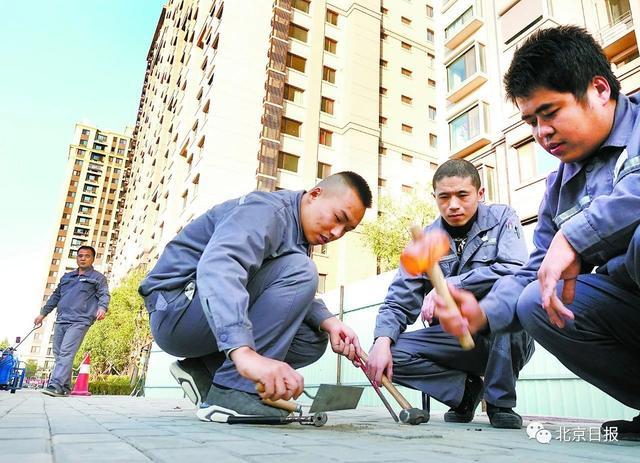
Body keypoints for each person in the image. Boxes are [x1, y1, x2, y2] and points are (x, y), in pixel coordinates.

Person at [436, 26, 640, 441]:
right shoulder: (557, 188)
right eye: (531, 121)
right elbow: (536, 271)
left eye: (550, 113)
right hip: (628, 300)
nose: (541, 132)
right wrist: (485, 312)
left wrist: (575, 237)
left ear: (600, 89)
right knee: (535, 302)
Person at [139, 171, 372, 421]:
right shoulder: (267, 210)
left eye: (347, 229)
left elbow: (284, 288)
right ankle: (233, 389)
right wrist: (244, 354)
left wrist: (330, 321)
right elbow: (220, 266)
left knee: (311, 338)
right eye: (338, 218)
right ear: (315, 194)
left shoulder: (298, 236)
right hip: (176, 310)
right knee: (302, 270)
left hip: (199, 320)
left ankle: (205, 371)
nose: (337, 233)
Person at [368, 159, 534, 429]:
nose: (453, 205)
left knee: (516, 302)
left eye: (462, 195)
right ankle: (464, 393)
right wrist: (382, 339)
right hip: (452, 339)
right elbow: (400, 298)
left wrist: (451, 285)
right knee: (385, 355)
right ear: (435, 197)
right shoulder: (424, 241)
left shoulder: (503, 218)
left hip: (501, 337)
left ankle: (499, 402)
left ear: (480, 194)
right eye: (444, 197)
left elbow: (515, 271)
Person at [35, 245, 109, 397]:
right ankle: (65, 388)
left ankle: (55, 385)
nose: (83, 258)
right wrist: (43, 314)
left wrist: (102, 308)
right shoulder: (67, 277)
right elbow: (55, 296)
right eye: (80, 255)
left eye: (87, 256)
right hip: (62, 319)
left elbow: (104, 295)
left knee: (66, 352)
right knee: (58, 354)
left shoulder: (98, 278)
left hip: (80, 321)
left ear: (93, 259)